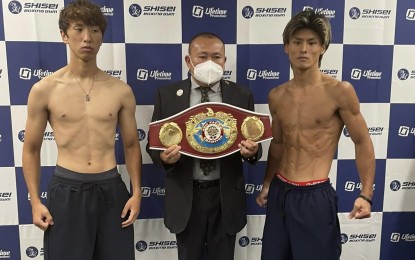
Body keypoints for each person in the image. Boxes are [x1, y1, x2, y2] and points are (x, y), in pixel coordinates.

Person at [22, 1, 142, 259]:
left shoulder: (121, 91)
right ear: (64, 35)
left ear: (101, 37)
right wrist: (34, 200)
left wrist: (137, 192)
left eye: (95, 30)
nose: (87, 38)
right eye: (78, 29)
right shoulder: (45, 89)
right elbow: (31, 148)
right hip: (67, 190)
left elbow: (132, 146)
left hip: (111, 188)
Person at [256, 10, 375, 260]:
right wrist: (267, 183)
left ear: (322, 48)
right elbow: (277, 145)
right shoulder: (276, 95)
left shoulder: (339, 91)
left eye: (312, 43)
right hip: (280, 192)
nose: (304, 49)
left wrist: (366, 194)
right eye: (297, 42)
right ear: (286, 47)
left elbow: (362, 141)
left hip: (314, 197)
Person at [146, 32, 262, 260]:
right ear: (188, 61)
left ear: (225, 61)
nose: (210, 63)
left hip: (225, 198)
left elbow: (254, 145)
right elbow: (153, 145)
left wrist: (253, 152)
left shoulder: (242, 95)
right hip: (186, 199)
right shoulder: (167, 96)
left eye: (217, 57)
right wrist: (163, 158)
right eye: (202, 56)